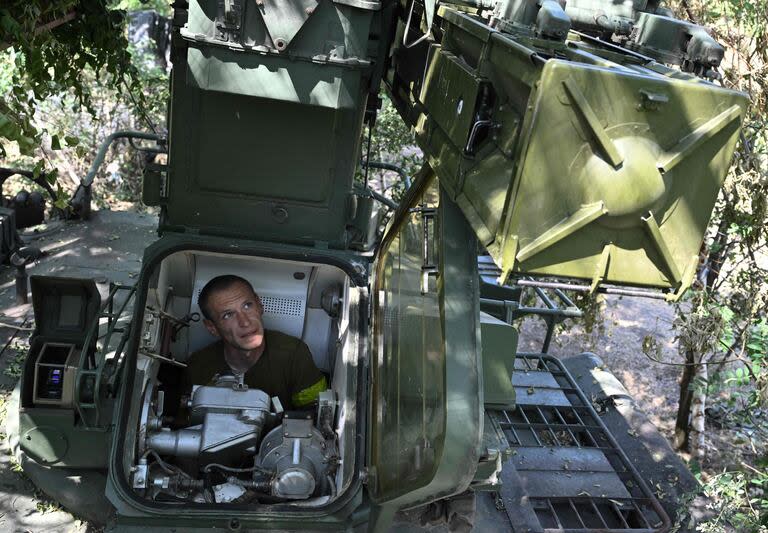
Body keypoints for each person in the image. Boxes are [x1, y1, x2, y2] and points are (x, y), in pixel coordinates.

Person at [182, 275, 327, 410]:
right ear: (212, 327)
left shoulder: (294, 355)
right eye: (228, 315)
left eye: (247, 306)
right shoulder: (198, 367)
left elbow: (315, 416)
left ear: (259, 305)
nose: (245, 322)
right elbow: (188, 426)